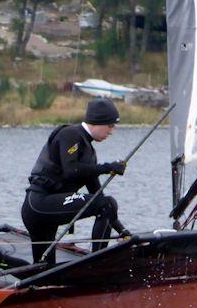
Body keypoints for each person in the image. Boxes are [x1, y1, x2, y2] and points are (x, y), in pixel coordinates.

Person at [21, 98, 130, 266]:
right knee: (106, 203)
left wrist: (123, 232)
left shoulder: (89, 152)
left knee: (43, 269)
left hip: (48, 208)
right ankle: (98, 263)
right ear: (98, 122)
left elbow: (97, 196)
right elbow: (71, 170)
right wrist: (108, 168)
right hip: (39, 204)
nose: (111, 131)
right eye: (110, 126)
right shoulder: (71, 134)